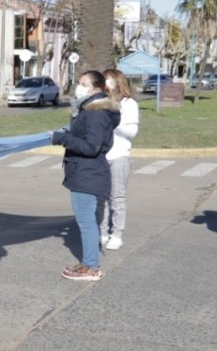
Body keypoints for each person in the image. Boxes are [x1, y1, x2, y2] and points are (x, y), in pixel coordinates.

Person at [52, 70, 120, 282]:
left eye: (83, 84)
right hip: (87, 172)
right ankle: (89, 264)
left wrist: (63, 139)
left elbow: (92, 147)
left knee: (86, 222)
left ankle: (91, 267)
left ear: (96, 88)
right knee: (88, 221)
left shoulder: (95, 113)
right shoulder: (93, 110)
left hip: (87, 174)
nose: (78, 87)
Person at [100, 69, 139, 250]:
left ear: (117, 81)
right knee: (101, 197)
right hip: (101, 155)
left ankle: (117, 234)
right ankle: (102, 231)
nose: (105, 83)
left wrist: (113, 120)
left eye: (108, 80)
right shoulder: (101, 102)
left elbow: (131, 132)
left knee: (117, 197)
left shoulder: (128, 103)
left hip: (119, 155)